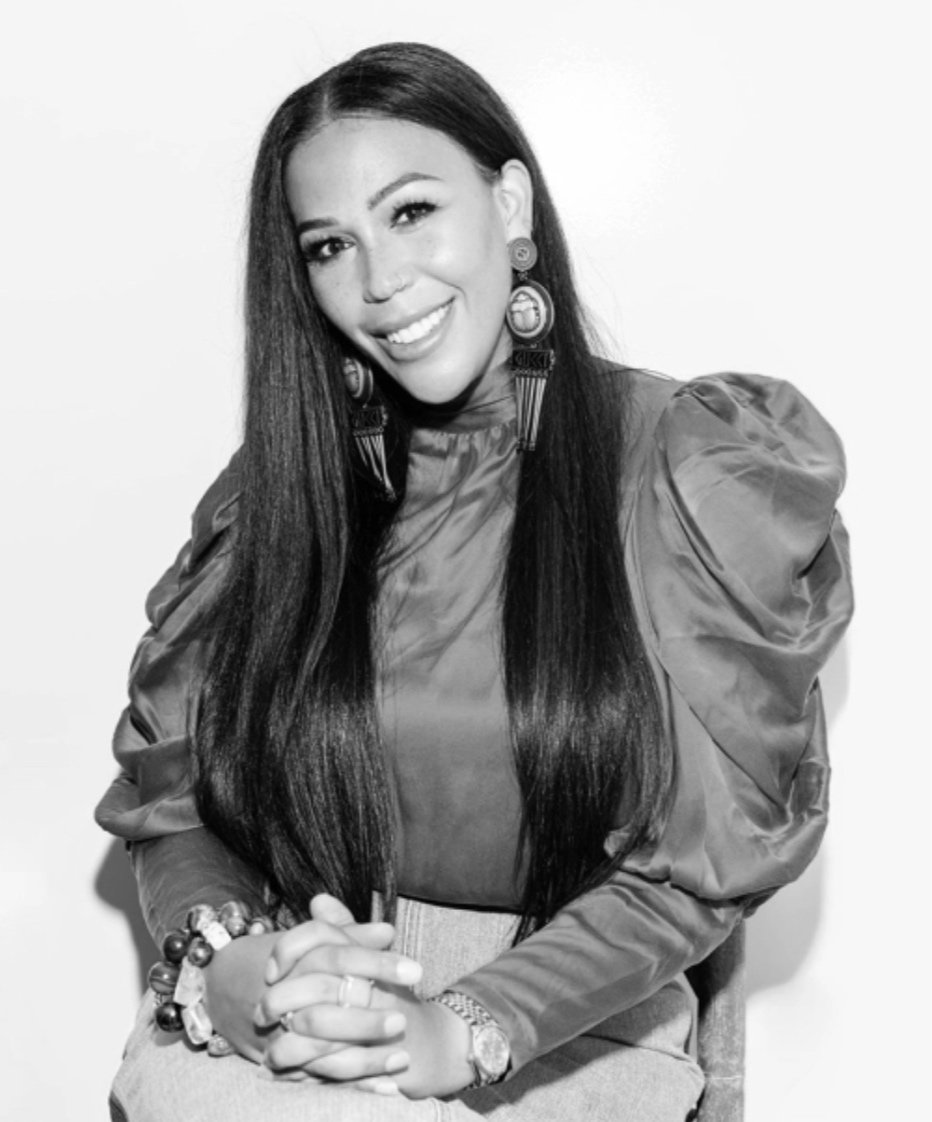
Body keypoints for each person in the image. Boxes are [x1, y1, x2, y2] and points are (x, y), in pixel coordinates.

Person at [95, 41, 853, 1122]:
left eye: (410, 213)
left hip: (578, 1018)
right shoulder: (280, 494)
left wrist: (468, 1023)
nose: (378, 282)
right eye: (329, 246)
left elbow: (702, 860)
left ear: (508, 204)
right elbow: (172, 804)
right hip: (301, 1008)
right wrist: (227, 963)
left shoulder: (684, 467)